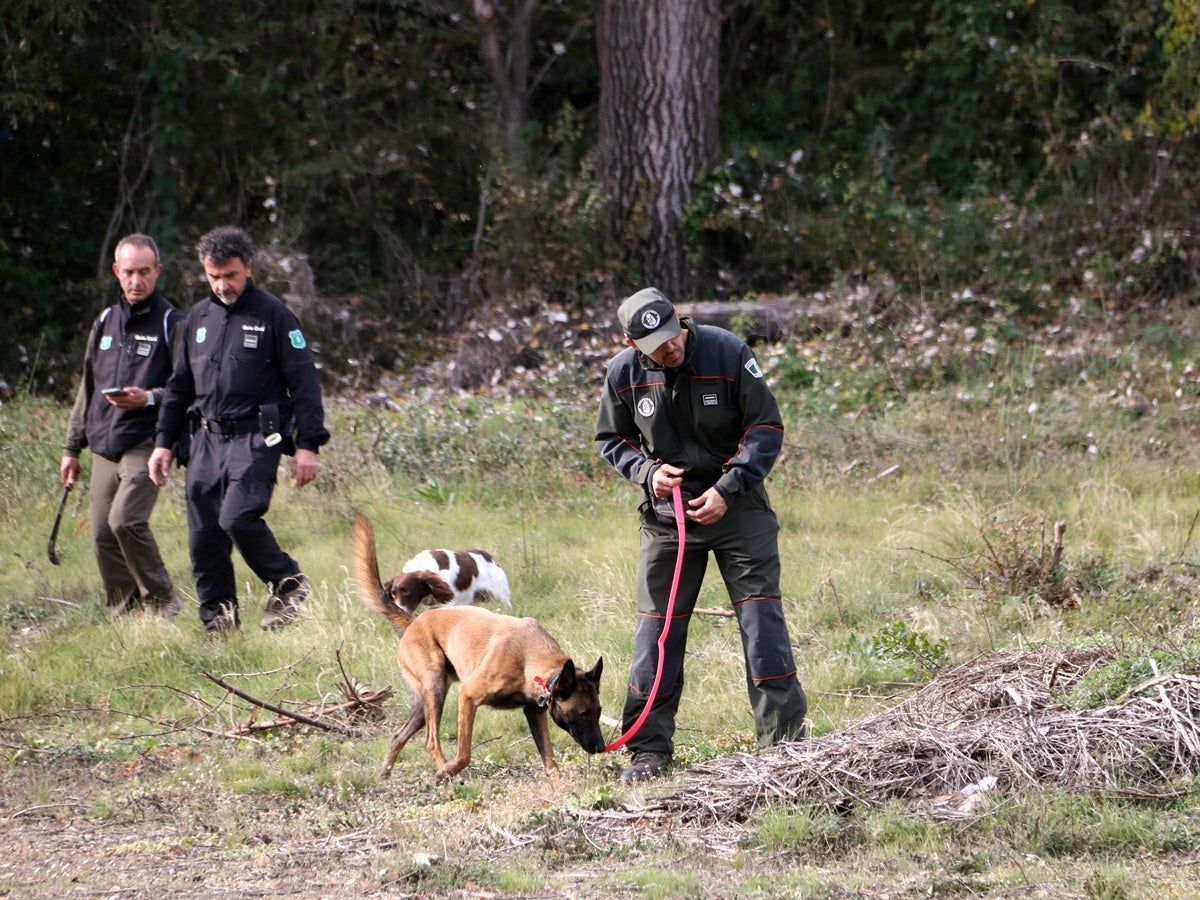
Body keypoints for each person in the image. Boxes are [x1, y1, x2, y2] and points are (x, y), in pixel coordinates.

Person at [595, 287, 808, 782]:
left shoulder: (727, 351)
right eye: (655, 346)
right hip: (667, 519)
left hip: (738, 510)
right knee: (658, 631)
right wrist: (648, 473)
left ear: (680, 321)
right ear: (631, 344)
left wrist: (728, 488)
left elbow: (765, 428)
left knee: (762, 623)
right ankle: (648, 749)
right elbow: (613, 439)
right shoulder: (622, 374)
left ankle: (784, 747)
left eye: (673, 338)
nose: (670, 350)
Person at [148, 226, 329, 635]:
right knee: (204, 538)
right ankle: (220, 626)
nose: (222, 285)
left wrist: (308, 445)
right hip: (206, 440)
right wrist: (163, 442)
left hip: (256, 437)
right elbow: (179, 386)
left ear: (248, 267)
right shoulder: (196, 318)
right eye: (213, 277)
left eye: (230, 275)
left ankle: (288, 582)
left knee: (237, 517)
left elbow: (304, 383)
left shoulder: (275, 315)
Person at [60, 233, 183, 618]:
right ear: (116, 271)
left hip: (147, 441)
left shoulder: (171, 322)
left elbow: (187, 387)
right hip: (103, 442)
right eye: (128, 272)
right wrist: (71, 448)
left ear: (157, 271)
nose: (136, 280)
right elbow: (88, 386)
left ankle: (163, 603)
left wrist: (147, 397)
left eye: (144, 272)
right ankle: (125, 613)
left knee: (125, 521)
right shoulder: (104, 321)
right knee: (101, 534)